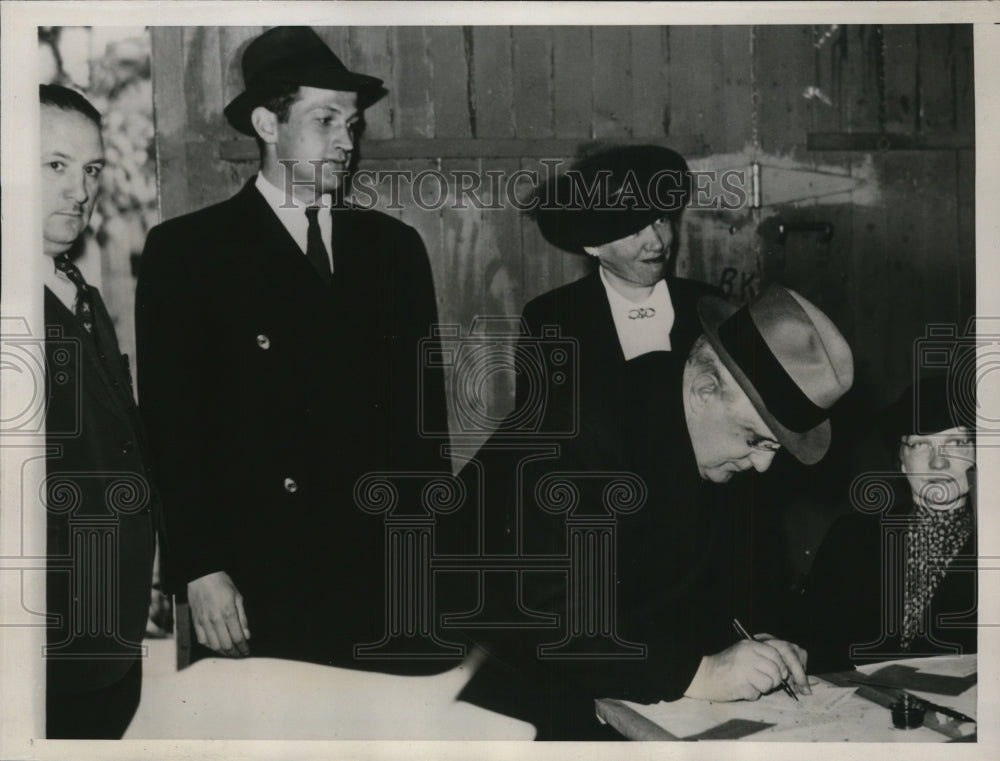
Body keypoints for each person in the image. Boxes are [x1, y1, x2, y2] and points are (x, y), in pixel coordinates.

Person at [135, 27, 448, 667]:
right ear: (266, 125)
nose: (346, 141)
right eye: (324, 120)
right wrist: (199, 569)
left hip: (381, 576)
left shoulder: (393, 249)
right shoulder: (189, 251)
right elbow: (171, 430)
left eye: (352, 124)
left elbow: (424, 429)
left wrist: (428, 563)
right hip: (258, 579)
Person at [456, 283, 855, 739]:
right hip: (467, 675)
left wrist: (754, 641)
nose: (763, 466)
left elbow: (724, 582)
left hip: (583, 676)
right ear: (704, 390)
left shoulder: (715, 441)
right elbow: (555, 619)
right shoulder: (578, 431)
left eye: (774, 449)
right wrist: (701, 673)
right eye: (755, 440)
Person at [41, 84, 159, 738]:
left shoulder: (76, 288)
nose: (79, 190)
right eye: (55, 165)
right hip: (46, 644)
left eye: (90, 170)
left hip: (109, 634)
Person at [796, 375, 977, 673]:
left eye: (956, 443)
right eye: (919, 444)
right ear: (901, 460)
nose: (938, 462)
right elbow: (810, 642)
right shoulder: (850, 539)